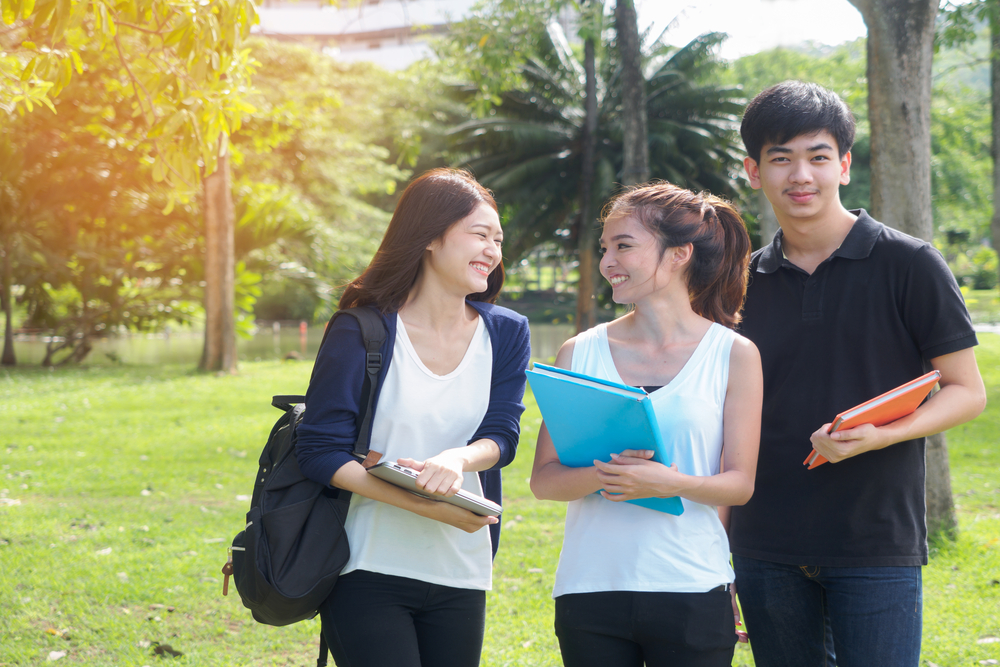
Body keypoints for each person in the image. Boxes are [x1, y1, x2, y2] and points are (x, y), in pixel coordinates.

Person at [729, 80, 988, 667]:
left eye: (818, 157)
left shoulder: (911, 263)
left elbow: (967, 391)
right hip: (764, 542)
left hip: (876, 540)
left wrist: (884, 434)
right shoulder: (742, 282)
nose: (802, 175)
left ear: (844, 165)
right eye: (781, 158)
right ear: (753, 170)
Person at [294, 168, 531, 667]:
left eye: (498, 239)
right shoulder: (362, 329)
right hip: (364, 565)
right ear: (429, 237)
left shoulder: (507, 332)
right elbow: (319, 449)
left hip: (461, 569)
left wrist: (457, 460)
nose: (493, 250)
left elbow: (502, 435)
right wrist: (426, 505)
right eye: (480, 234)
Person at [530, 182, 763, 667]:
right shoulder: (579, 353)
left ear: (679, 254)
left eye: (624, 246)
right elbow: (544, 481)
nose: (607, 261)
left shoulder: (734, 355)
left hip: (693, 586)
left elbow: (739, 485)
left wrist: (666, 482)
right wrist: (609, 476)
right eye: (605, 248)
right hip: (590, 588)